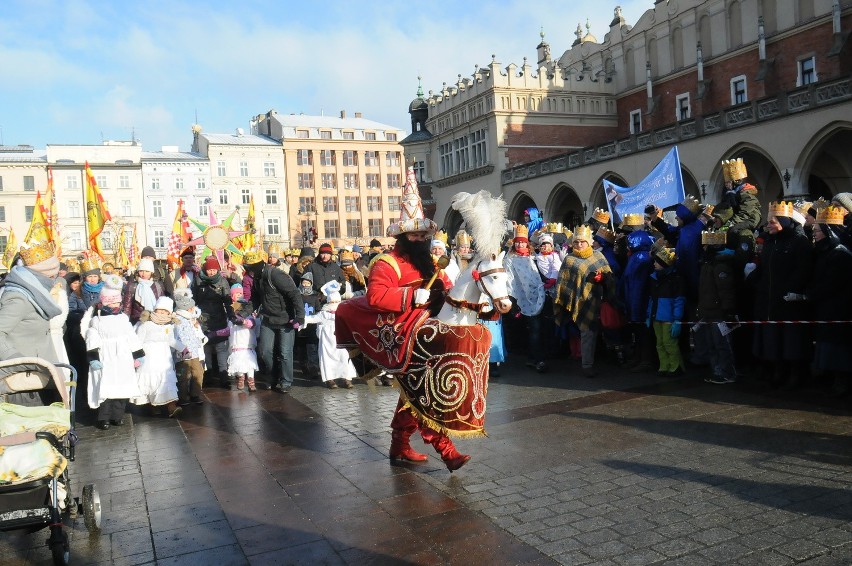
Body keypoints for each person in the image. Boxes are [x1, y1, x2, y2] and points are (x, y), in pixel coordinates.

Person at [747, 201, 814, 389]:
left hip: (789, 300)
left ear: (783, 221)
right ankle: (778, 370)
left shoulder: (799, 242)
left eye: (772, 221)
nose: (768, 225)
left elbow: (803, 270)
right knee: (774, 339)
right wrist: (754, 279)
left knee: (791, 340)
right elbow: (764, 268)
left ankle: (795, 374)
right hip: (771, 300)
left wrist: (790, 288)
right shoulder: (770, 242)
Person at [0, 241, 67, 406]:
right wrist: (17, 360)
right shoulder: (19, 297)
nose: (55, 278)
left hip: (40, 374)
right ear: (44, 274)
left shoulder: (34, 293)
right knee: (33, 430)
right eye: (53, 274)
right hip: (25, 381)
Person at [82, 274, 145, 429]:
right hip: (107, 356)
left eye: (118, 302)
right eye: (115, 302)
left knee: (122, 387)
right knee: (107, 387)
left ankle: (118, 415)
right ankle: (104, 418)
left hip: (123, 356)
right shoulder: (97, 320)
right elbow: (92, 338)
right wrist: (93, 357)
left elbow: (131, 336)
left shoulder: (123, 318)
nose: (117, 305)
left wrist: (138, 354)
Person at [553, 225, 616, 377]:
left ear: (589, 242)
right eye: (576, 242)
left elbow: (610, 277)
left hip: (597, 300)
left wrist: (603, 278)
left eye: (582, 242)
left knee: (598, 332)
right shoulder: (569, 259)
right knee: (586, 332)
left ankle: (603, 358)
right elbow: (563, 282)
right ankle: (587, 364)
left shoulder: (598, 257)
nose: (579, 245)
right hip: (578, 302)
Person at [806, 206, 852, 396]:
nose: (814, 234)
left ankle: (842, 380)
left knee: (839, 346)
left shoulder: (840, 253)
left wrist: (810, 294)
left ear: (829, 232)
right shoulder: (824, 252)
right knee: (827, 344)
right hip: (826, 307)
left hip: (839, 308)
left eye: (817, 231)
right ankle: (830, 376)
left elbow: (832, 283)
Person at [245, 252, 304, 393]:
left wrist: (300, 316)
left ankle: (286, 381)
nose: (249, 272)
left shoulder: (276, 275)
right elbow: (255, 299)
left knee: (285, 353)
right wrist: (242, 313)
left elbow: (294, 293)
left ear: (258, 266)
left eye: (250, 268)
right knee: (264, 351)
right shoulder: (257, 278)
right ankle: (274, 375)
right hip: (268, 318)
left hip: (286, 319)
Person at [695, 231, 740, 384]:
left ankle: (727, 372)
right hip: (708, 311)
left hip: (719, 312)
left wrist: (728, 311)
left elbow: (726, 291)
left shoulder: (720, 265)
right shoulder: (708, 264)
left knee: (722, 344)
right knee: (712, 344)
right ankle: (717, 371)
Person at [505, 224, 547, 372]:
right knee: (528, 329)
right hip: (519, 298)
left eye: (522, 242)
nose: (520, 244)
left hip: (536, 296)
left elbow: (536, 275)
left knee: (536, 329)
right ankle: (533, 358)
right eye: (518, 241)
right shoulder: (509, 258)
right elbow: (509, 279)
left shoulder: (532, 257)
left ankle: (536, 358)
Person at [132, 296, 183, 417]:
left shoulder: (169, 325)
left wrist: (183, 348)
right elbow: (138, 340)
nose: (162, 313)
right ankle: (154, 405)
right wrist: (137, 356)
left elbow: (171, 340)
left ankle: (172, 407)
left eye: (165, 311)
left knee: (166, 381)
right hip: (149, 357)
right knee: (151, 381)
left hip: (164, 358)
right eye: (160, 310)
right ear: (155, 310)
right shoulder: (145, 324)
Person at [305, 281, 358, 389]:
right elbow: (311, 318)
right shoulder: (324, 314)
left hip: (341, 340)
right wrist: (300, 320)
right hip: (327, 342)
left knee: (345, 358)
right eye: (333, 302)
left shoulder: (344, 312)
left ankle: (347, 378)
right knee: (327, 360)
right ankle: (330, 380)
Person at [191, 256, 234, 388]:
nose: (211, 272)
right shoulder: (198, 280)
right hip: (202, 318)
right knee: (206, 347)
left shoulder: (222, 281)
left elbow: (227, 300)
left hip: (218, 317)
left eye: (214, 270)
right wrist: (193, 316)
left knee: (221, 348)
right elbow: (193, 299)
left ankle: (223, 374)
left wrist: (231, 315)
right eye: (209, 270)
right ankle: (208, 374)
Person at [646, 241, 685, 376]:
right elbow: (652, 299)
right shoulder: (654, 278)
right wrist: (648, 315)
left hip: (668, 317)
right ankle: (664, 366)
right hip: (657, 316)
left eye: (657, 262)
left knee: (669, 343)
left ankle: (675, 366)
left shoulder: (675, 280)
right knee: (660, 343)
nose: (654, 264)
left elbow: (679, 300)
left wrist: (677, 319)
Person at [172, 288, 207, 405]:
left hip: (194, 352)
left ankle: (195, 394)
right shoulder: (178, 321)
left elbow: (196, 334)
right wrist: (180, 349)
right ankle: (182, 396)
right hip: (182, 353)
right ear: (188, 308)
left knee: (198, 372)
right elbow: (176, 337)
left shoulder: (192, 320)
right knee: (183, 375)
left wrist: (200, 341)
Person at [225, 284, 259, 392]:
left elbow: (252, 324)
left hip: (246, 344)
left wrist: (244, 322)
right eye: (236, 294)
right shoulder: (230, 315)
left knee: (249, 363)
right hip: (236, 344)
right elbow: (227, 328)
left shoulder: (248, 314)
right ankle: (240, 378)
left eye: (240, 293)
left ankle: (251, 380)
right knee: (238, 363)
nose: (238, 295)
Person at [121, 258, 165, 325]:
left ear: (151, 272)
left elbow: (162, 305)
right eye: (141, 271)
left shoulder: (157, 286)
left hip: (155, 321)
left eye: (147, 271)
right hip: (137, 321)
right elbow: (127, 308)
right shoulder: (132, 286)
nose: (143, 274)